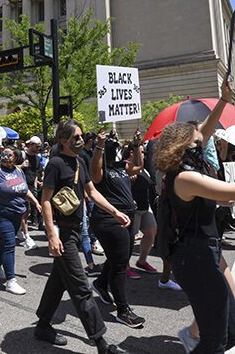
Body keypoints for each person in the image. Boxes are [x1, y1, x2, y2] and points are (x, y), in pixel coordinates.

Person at [153, 80, 235, 353]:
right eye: (196, 136)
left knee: (232, 334)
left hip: (204, 251)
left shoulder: (187, 167)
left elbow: (206, 130)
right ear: (184, 144)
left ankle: (193, 336)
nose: (203, 137)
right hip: (194, 257)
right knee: (215, 340)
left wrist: (223, 101)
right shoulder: (186, 177)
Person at [35, 119, 131, 354]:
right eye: (75, 137)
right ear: (63, 141)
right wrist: (51, 235)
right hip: (63, 233)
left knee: (58, 281)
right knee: (81, 288)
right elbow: (46, 200)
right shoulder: (56, 164)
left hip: (77, 230)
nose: (80, 140)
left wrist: (115, 211)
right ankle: (101, 343)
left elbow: (92, 192)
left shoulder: (80, 161)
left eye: (80, 136)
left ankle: (43, 325)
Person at [89, 130, 145, 328]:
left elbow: (138, 166)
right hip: (109, 219)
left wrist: (137, 145)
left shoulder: (122, 166)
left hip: (127, 218)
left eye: (114, 145)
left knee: (120, 258)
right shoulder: (100, 168)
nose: (113, 149)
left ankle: (101, 284)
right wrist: (99, 146)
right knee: (121, 264)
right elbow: (94, 175)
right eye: (109, 147)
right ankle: (123, 310)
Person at [0, 146, 41, 295]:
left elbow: (24, 189)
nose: (6, 157)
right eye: (4, 154)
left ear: (16, 158)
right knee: (9, 244)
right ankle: (11, 281)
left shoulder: (18, 171)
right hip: (1, 214)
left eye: (10, 155)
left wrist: (36, 202)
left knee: (5, 242)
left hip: (17, 214)